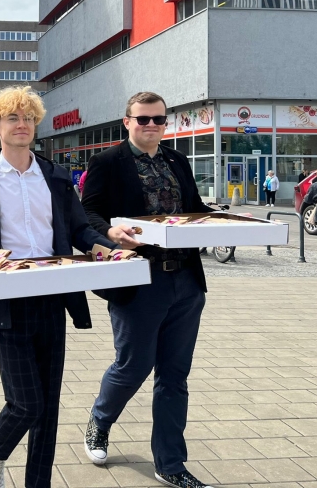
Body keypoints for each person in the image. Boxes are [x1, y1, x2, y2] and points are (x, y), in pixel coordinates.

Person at [0, 86, 115, 488]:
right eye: (12, 118)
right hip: (7, 300)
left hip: (53, 297)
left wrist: (107, 248)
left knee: (48, 410)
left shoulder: (55, 177)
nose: (22, 124)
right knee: (27, 403)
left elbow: (79, 229)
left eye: (28, 118)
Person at [81, 91, 215, 488]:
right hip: (138, 279)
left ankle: (170, 464)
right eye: (143, 119)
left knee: (174, 374)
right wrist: (109, 232)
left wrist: (232, 222)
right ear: (127, 122)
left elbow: (194, 209)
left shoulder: (177, 160)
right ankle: (100, 420)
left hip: (186, 280)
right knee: (133, 366)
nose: (152, 125)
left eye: (158, 119)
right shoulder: (107, 162)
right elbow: (86, 213)